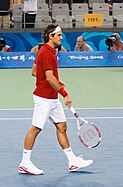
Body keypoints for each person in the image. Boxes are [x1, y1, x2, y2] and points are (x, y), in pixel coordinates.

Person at [18, 24, 93, 175]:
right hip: (44, 98)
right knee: (36, 128)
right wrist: (64, 93)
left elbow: (34, 72)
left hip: (52, 97)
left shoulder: (50, 51)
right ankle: (25, 163)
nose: (61, 37)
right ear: (50, 36)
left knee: (62, 126)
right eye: (59, 35)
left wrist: (57, 82)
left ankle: (72, 161)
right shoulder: (45, 52)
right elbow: (49, 77)